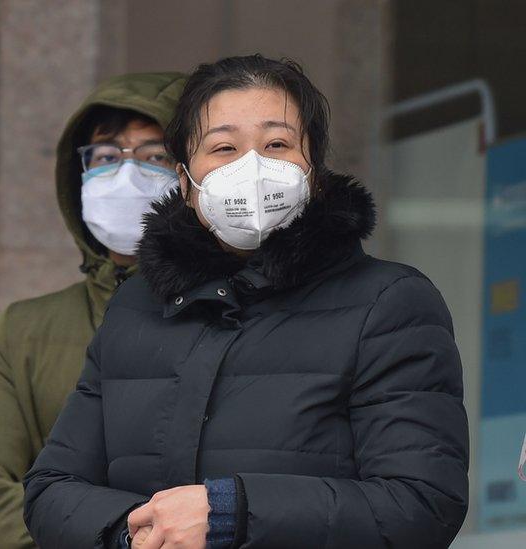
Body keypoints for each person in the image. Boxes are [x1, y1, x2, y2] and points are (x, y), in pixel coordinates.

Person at [24, 55, 469, 549]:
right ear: (186, 180)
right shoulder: (138, 306)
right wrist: (138, 534)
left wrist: (231, 513)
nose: (251, 167)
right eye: (223, 147)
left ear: (314, 171)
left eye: (277, 144)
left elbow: (421, 503)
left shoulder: (388, 303)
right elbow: (51, 490)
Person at [0, 72, 186, 548]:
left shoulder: (246, 312)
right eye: (107, 156)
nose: (127, 174)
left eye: (156, 156)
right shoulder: (27, 330)